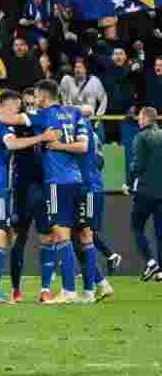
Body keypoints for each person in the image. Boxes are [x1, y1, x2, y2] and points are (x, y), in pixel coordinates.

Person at [0, 79, 89, 303]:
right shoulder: (65, 115)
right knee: (30, 237)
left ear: (42, 98)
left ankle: (58, 289)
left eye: (35, 99)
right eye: (29, 101)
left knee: (55, 235)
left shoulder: (43, 115)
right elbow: (85, 112)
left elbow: (8, 118)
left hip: (50, 183)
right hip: (49, 182)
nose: (32, 104)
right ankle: (19, 289)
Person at [0, 90, 55, 304]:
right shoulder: (2, 125)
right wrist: (42, 137)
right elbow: (12, 144)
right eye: (16, 108)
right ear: (7, 106)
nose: (18, 113)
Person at [74, 111, 115, 302]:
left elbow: (95, 161)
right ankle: (100, 283)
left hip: (89, 188)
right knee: (79, 237)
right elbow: (100, 161)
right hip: (84, 187)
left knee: (85, 236)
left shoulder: (82, 133)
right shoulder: (92, 134)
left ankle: (90, 291)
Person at [130, 107, 162, 281]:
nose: (138, 120)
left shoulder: (141, 137)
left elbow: (137, 165)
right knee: (160, 233)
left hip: (145, 192)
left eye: (140, 117)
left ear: (146, 119)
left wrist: (128, 183)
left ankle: (151, 263)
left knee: (136, 227)